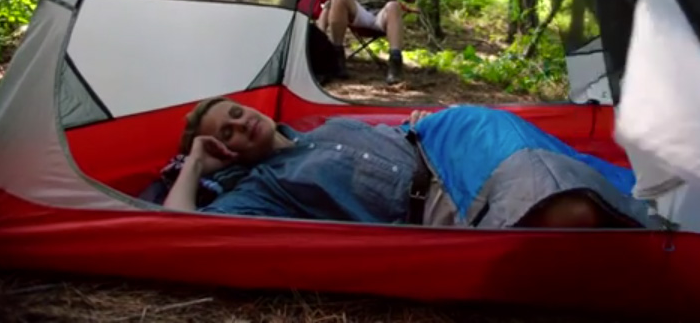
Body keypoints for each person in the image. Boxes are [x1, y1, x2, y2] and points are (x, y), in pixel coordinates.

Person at [161, 96, 661, 230]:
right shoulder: (264, 189)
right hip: (434, 198)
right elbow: (181, 231)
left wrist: (413, 124)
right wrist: (195, 164)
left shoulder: (320, 129)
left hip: (443, 138)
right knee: (569, 211)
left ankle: (652, 196)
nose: (240, 124)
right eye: (224, 133)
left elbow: (389, 139)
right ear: (224, 152)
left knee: (499, 133)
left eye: (235, 113)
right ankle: (650, 209)